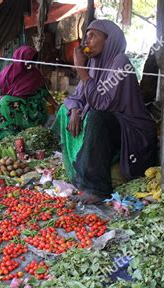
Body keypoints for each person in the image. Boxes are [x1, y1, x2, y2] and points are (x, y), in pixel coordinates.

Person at [53, 20, 158, 204]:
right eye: (86, 36)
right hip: (110, 122)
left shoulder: (120, 63)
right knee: (66, 110)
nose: (86, 41)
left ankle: (97, 189)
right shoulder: (94, 63)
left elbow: (101, 104)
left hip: (130, 128)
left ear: (109, 40)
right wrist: (76, 108)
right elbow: (77, 96)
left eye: (93, 36)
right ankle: (79, 173)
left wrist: (82, 72)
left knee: (96, 116)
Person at [0, 45, 59, 139]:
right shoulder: (8, 72)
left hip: (32, 107)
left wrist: (55, 105)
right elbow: (0, 90)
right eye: (27, 61)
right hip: (16, 102)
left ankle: (28, 130)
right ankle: (10, 134)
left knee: (6, 101)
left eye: (32, 61)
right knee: (2, 101)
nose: (30, 64)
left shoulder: (35, 73)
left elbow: (44, 92)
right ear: (20, 59)